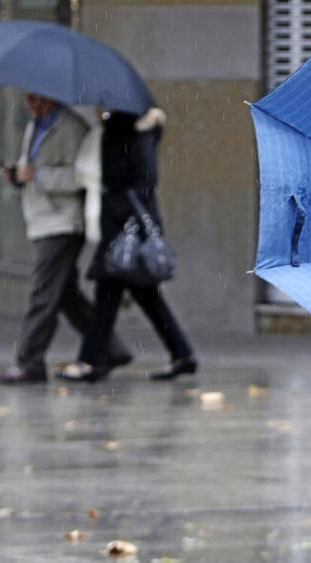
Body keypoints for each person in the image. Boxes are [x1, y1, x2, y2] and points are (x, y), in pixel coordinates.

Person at [0, 93, 132, 385]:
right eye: (26, 100)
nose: (31, 106)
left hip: (63, 222)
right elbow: (31, 164)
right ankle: (111, 347)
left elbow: (78, 177)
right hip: (41, 218)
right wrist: (18, 175)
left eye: (36, 100)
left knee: (43, 292)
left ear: (50, 98)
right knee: (66, 294)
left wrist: (38, 176)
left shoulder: (71, 128)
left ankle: (30, 361)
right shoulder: (35, 125)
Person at [58, 107, 197, 383]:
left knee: (107, 296)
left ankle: (90, 361)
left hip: (126, 229)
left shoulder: (133, 135)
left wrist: (125, 219)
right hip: (123, 227)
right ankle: (182, 355)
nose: (98, 112)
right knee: (145, 298)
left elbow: (143, 183)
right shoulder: (121, 133)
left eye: (104, 107)